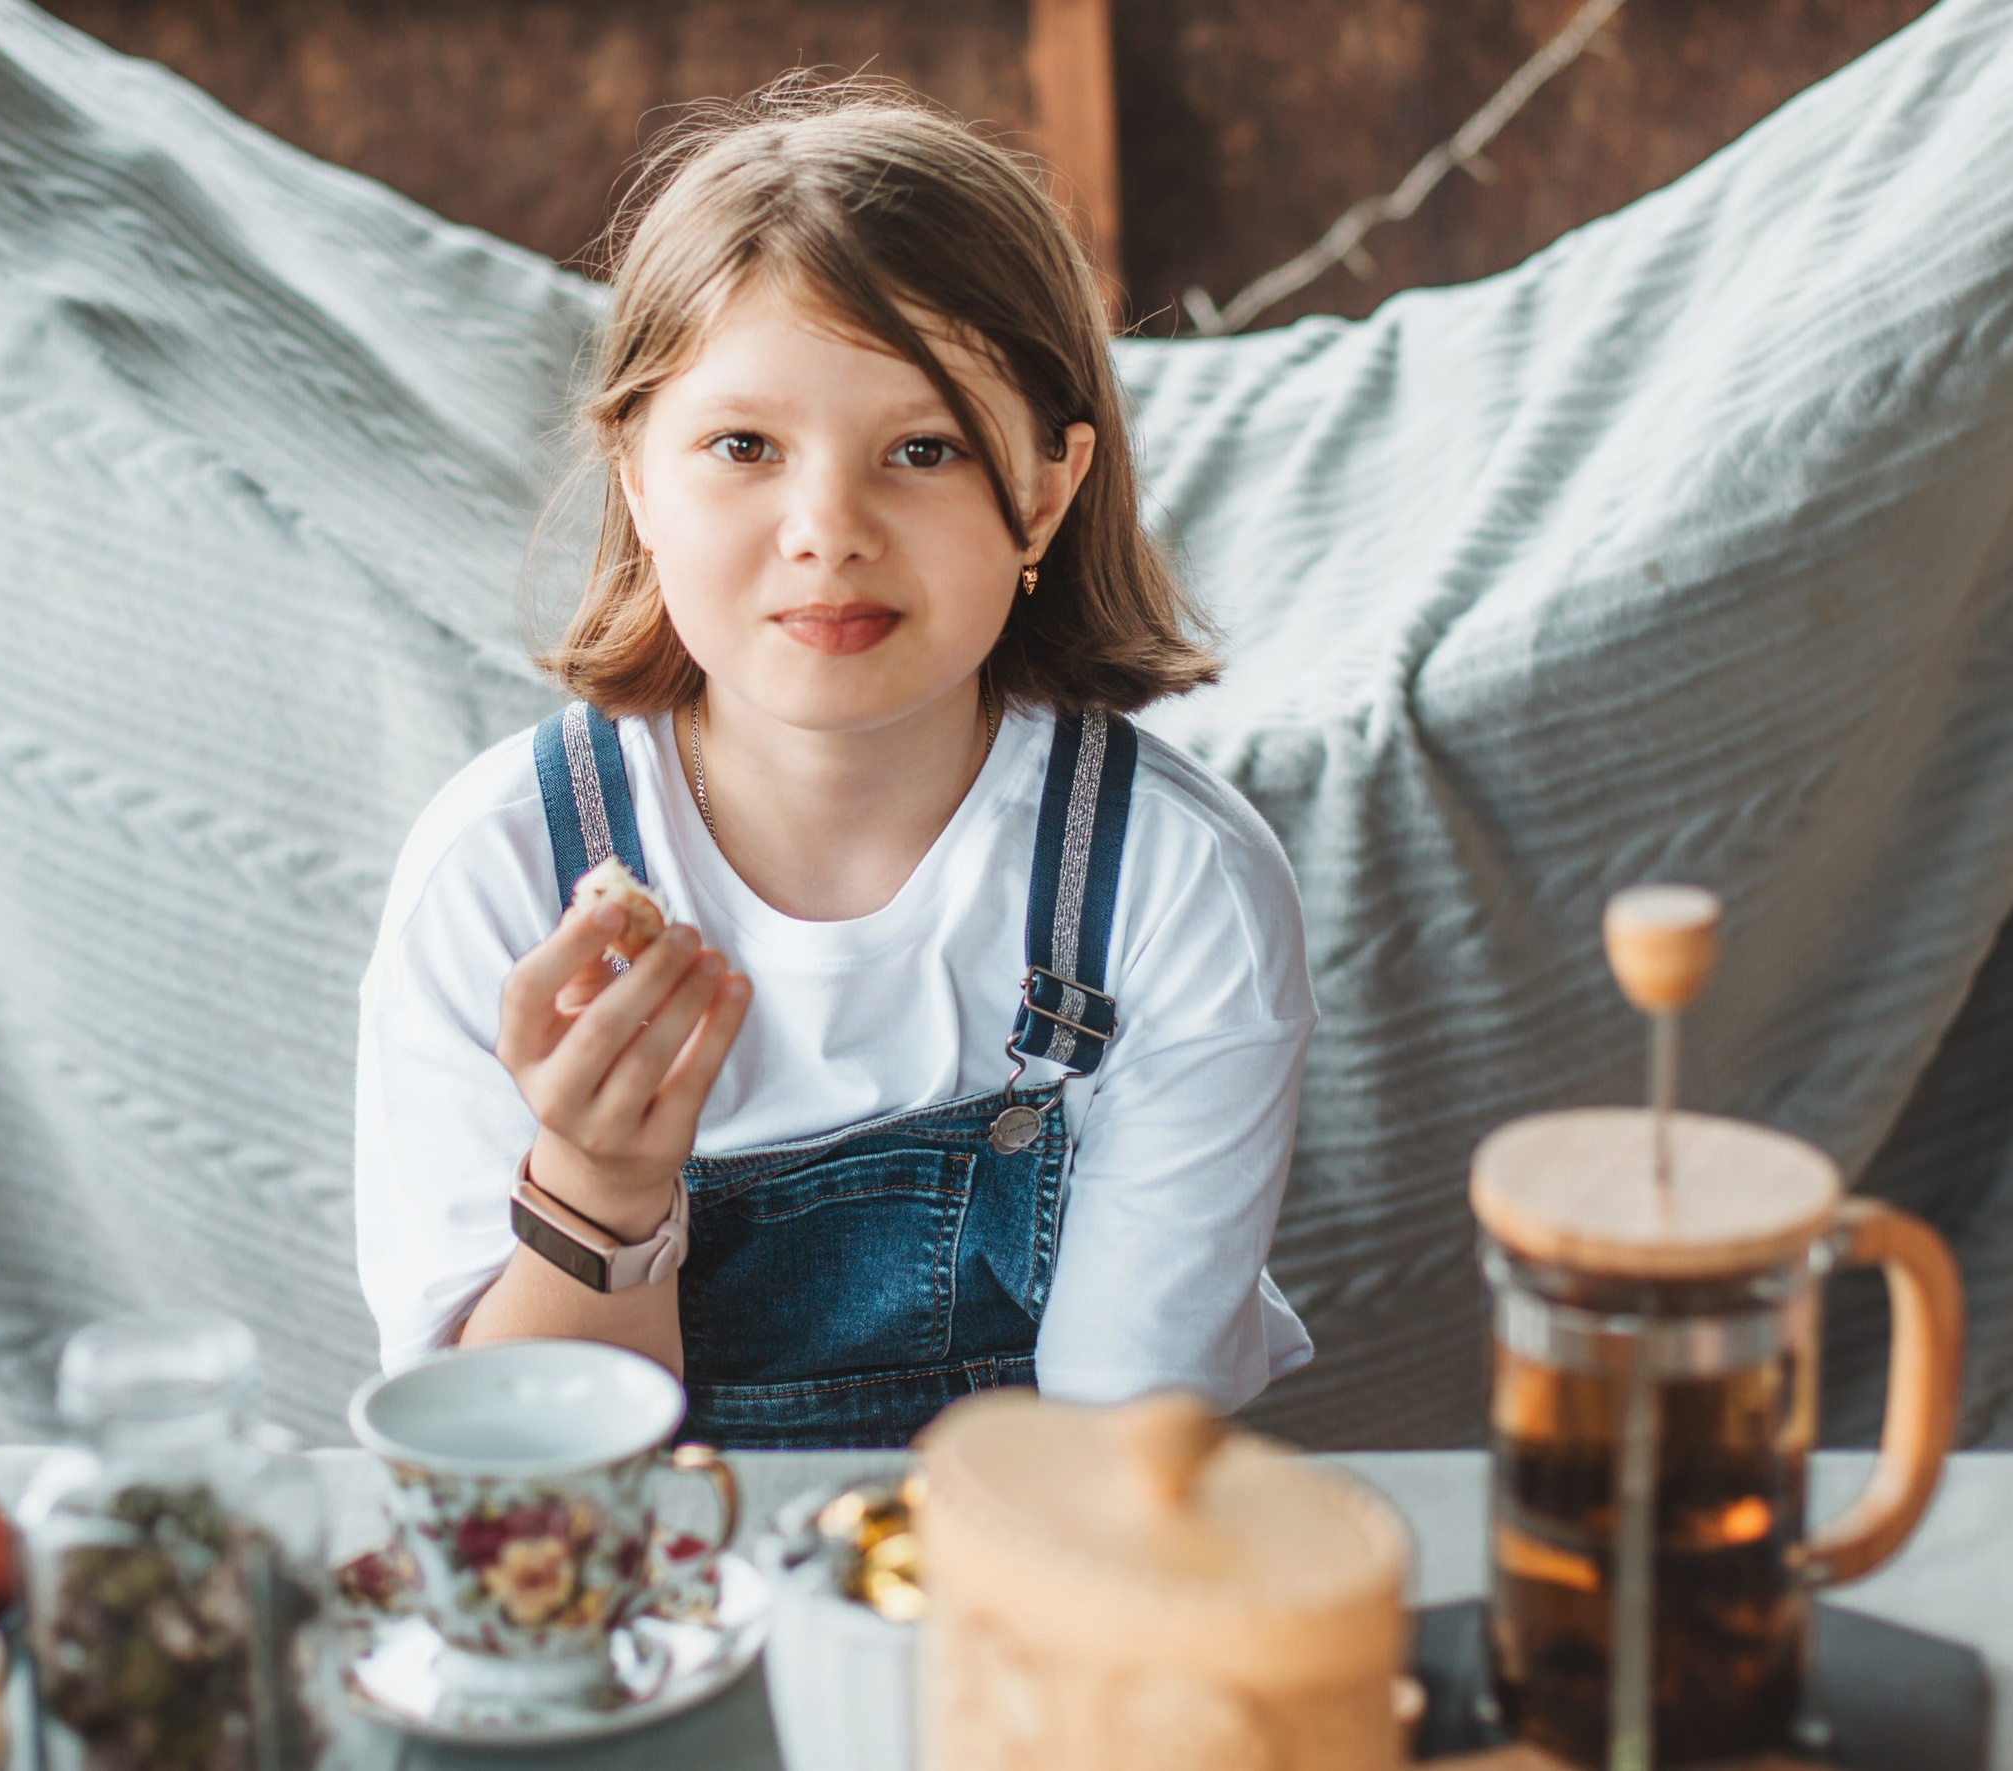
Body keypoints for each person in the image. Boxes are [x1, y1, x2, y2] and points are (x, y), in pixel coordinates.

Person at [354, 78, 1316, 1449]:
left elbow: (1116, 1470)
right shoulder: (500, 873)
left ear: (1046, 489)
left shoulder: (1175, 888)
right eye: (742, 446)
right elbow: (503, 1482)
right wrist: (599, 1181)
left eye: (921, 449)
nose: (828, 529)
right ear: (636, 474)